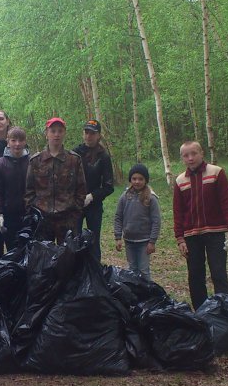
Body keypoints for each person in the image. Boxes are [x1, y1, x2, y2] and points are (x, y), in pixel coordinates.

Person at [173, 141, 228, 309]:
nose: (190, 158)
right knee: (195, 276)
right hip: (191, 236)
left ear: (202, 153)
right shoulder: (180, 180)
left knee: (218, 273)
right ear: (182, 158)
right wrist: (180, 238)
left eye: (194, 153)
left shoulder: (216, 173)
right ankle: (201, 313)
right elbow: (178, 211)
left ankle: (224, 310)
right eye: (186, 155)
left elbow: (227, 201)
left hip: (215, 233)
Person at [24, 117, 87, 244]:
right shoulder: (36, 160)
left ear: (64, 133)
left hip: (67, 218)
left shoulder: (74, 160)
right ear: (46, 133)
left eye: (60, 131)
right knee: (44, 254)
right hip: (43, 218)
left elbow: (81, 189)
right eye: (53, 131)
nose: (56, 134)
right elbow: (29, 190)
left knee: (68, 254)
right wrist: (33, 212)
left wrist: (75, 211)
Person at [75, 119, 114, 262]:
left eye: (92, 133)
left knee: (94, 242)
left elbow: (109, 186)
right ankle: (76, 271)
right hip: (76, 204)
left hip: (94, 205)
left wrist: (92, 196)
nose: (88, 136)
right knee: (75, 240)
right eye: (86, 132)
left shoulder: (103, 157)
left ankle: (95, 271)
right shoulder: (75, 153)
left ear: (98, 135)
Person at [114, 164, 160, 281]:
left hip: (144, 241)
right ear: (130, 180)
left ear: (146, 180)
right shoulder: (124, 197)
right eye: (134, 179)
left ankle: (147, 291)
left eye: (140, 179)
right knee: (132, 270)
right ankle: (134, 291)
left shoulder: (151, 198)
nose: (137, 182)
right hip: (129, 240)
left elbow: (156, 221)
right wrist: (118, 237)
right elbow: (118, 217)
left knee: (144, 270)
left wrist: (152, 241)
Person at [0, 125, 30, 254]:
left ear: (25, 142)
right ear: (8, 141)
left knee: (29, 252)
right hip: (8, 216)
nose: (17, 144)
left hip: (28, 214)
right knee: (13, 252)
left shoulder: (32, 162)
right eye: (13, 140)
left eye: (20, 140)